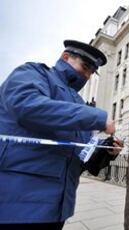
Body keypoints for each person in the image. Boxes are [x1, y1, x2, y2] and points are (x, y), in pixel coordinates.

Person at [0, 40, 122, 230]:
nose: (88, 75)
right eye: (85, 67)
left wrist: (106, 152)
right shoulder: (33, 73)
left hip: (57, 209)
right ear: (66, 57)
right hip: (17, 204)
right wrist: (97, 118)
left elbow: (83, 157)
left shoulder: (81, 104)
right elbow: (26, 106)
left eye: (91, 72)